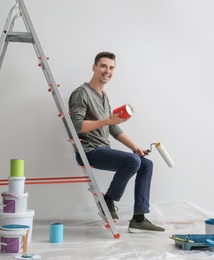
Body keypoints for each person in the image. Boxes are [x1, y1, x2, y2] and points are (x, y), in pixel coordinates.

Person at [68, 51, 165, 233]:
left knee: (146, 164)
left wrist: (135, 147)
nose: (107, 71)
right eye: (103, 66)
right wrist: (106, 121)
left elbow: (112, 128)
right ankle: (108, 199)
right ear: (94, 67)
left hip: (103, 149)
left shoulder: (104, 96)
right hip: (88, 151)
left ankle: (138, 218)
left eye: (111, 68)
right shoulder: (81, 93)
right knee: (133, 161)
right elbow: (76, 126)